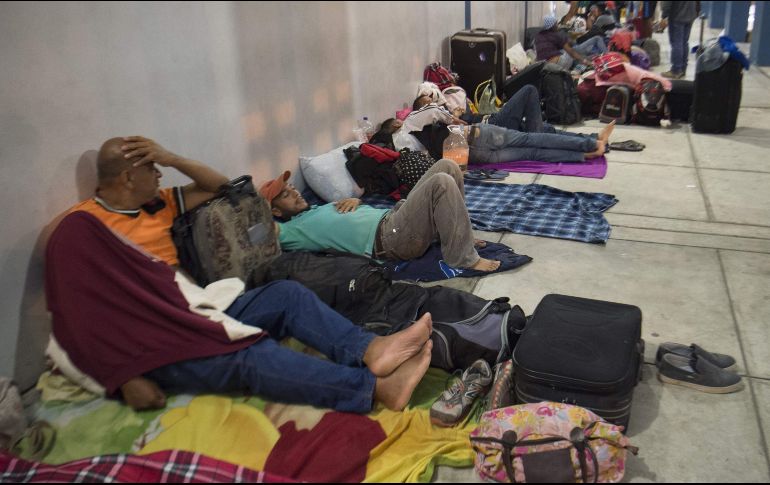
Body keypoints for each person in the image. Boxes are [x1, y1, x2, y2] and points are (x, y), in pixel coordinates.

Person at [54, 136, 434, 414]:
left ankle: (369, 349)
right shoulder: (81, 230)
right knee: (250, 355)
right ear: (124, 178)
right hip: (158, 339)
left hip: (194, 309)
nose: (158, 175)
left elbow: (223, 187)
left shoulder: (158, 204)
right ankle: (374, 388)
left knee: (287, 294)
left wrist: (170, 157)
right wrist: (121, 378)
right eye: (150, 169)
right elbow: (77, 318)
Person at [261, 159, 502, 273]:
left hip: (394, 218)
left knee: (447, 166)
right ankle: (462, 257)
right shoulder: (292, 231)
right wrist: (253, 205)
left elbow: (346, 218)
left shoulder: (316, 209)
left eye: (291, 187)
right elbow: (261, 228)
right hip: (390, 239)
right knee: (441, 183)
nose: (293, 192)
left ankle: (458, 235)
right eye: (285, 195)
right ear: (276, 211)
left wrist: (357, 200)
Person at [405, 88, 615, 164]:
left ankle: (584, 151)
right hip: (479, 134)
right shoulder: (417, 122)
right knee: (534, 133)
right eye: (426, 100)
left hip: (474, 156)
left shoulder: (414, 147)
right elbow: (436, 114)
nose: (432, 101)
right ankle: (591, 143)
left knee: (534, 147)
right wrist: (453, 119)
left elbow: (454, 164)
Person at [534, 14, 608, 71]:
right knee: (596, 39)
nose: (557, 25)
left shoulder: (538, 36)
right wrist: (585, 61)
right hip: (560, 63)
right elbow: (571, 52)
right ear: (552, 25)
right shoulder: (556, 35)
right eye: (556, 24)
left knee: (578, 57)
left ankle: (595, 59)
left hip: (546, 67)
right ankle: (608, 56)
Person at [659, 1, 699, 79]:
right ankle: (683, 69)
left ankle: (676, 70)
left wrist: (664, 16)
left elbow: (667, 3)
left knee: (676, 43)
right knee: (684, 42)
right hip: (690, 14)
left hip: (677, 15)